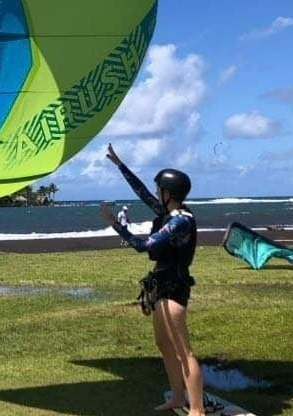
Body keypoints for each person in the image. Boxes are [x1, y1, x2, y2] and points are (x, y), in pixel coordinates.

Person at [99, 144, 209, 416]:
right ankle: (176, 397)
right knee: (163, 344)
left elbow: (144, 246)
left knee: (184, 351)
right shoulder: (166, 213)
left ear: (169, 193)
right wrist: (119, 164)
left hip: (175, 286)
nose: (156, 193)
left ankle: (197, 410)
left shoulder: (180, 220)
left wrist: (115, 224)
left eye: (160, 189)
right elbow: (141, 192)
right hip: (160, 284)